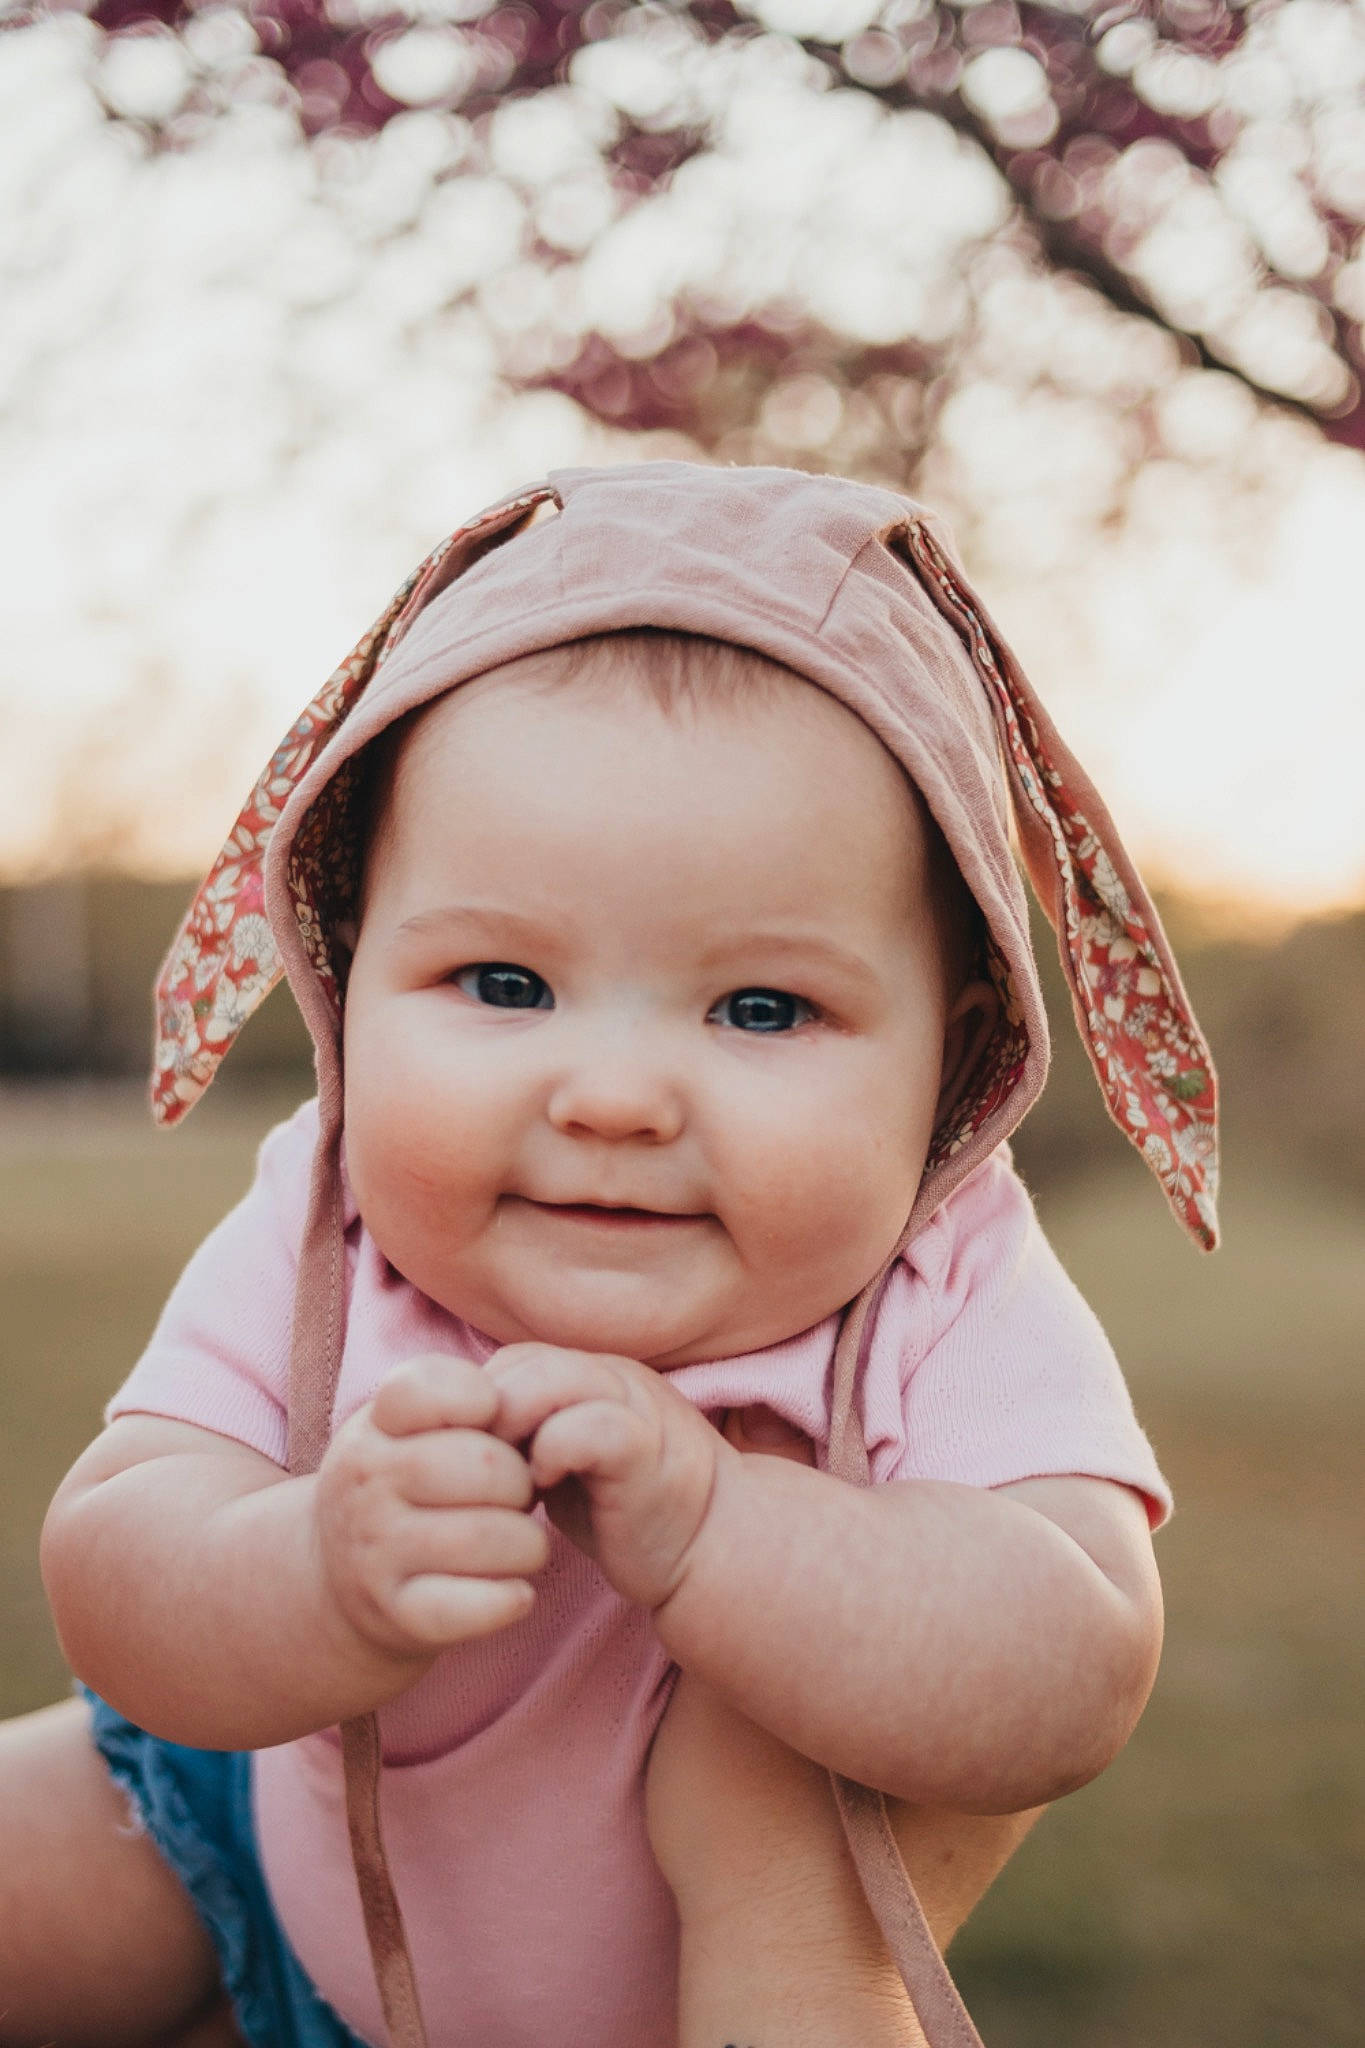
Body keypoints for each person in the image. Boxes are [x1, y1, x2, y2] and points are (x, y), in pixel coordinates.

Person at [3, 462, 1216, 2048]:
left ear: (956, 1054)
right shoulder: (328, 1220)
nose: (617, 1099)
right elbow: (117, 1561)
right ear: (350, 973)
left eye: (760, 1010)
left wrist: (722, 1527)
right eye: (503, 983)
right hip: (226, 1836)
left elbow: (1072, 1669)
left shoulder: (945, 1283)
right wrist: (310, 1570)